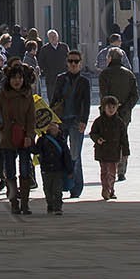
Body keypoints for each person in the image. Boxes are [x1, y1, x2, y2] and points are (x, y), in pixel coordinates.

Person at [0, 60, 37, 216]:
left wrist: (29, 135)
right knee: (10, 172)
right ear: (9, 80)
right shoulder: (3, 95)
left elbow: (31, 119)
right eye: (14, 78)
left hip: (24, 139)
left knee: (25, 171)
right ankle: (14, 203)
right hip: (7, 139)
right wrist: (1, 127)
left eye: (20, 78)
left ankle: (25, 204)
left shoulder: (28, 95)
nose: (17, 81)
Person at [50, 51, 91, 199]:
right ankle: (61, 185)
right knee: (59, 153)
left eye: (76, 61)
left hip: (75, 121)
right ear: (67, 63)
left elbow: (86, 103)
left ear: (80, 63)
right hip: (61, 121)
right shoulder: (61, 79)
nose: (73, 64)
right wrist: (52, 119)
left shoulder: (84, 81)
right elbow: (54, 99)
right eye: (71, 61)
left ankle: (76, 187)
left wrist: (84, 121)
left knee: (75, 155)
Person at [97, 49, 139, 179]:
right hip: (124, 113)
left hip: (108, 112)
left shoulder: (105, 74)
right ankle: (121, 170)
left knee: (108, 139)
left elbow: (104, 94)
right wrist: (125, 107)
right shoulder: (129, 74)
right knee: (122, 139)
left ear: (109, 58)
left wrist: (110, 107)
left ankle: (110, 168)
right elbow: (135, 95)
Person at [90, 95, 128, 200]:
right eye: (108, 107)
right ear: (104, 108)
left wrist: (125, 152)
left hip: (115, 151)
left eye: (113, 107)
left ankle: (111, 189)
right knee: (104, 171)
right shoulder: (98, 121)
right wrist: (97, 139)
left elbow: (124, 138)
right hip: (102, 150)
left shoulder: (120, 122)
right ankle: (105, 189)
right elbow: (93, 133)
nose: (111, 110)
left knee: (112, 172)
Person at [35, 117, 74, 215]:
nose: (53, 129)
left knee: (57, 189)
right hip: (46, 169)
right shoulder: (42, 140)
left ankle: (57, 206)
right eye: (51, 127)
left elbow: (67, 156)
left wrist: (70, 170)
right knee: (47, 189)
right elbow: (35, 150)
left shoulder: (62, 141)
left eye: (55, 127)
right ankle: (50, 205)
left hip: (58, 169)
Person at [37, 29, 67, 99]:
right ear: (48, 38)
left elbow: (69, 59)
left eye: (55, 36)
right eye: (51, 37)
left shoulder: (64, 47)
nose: (53, 38)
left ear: (58, 37)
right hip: (51, 78)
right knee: (52, 97)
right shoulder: (45, 49)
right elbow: (41, 62)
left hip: (63, 76)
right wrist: (46, 71)